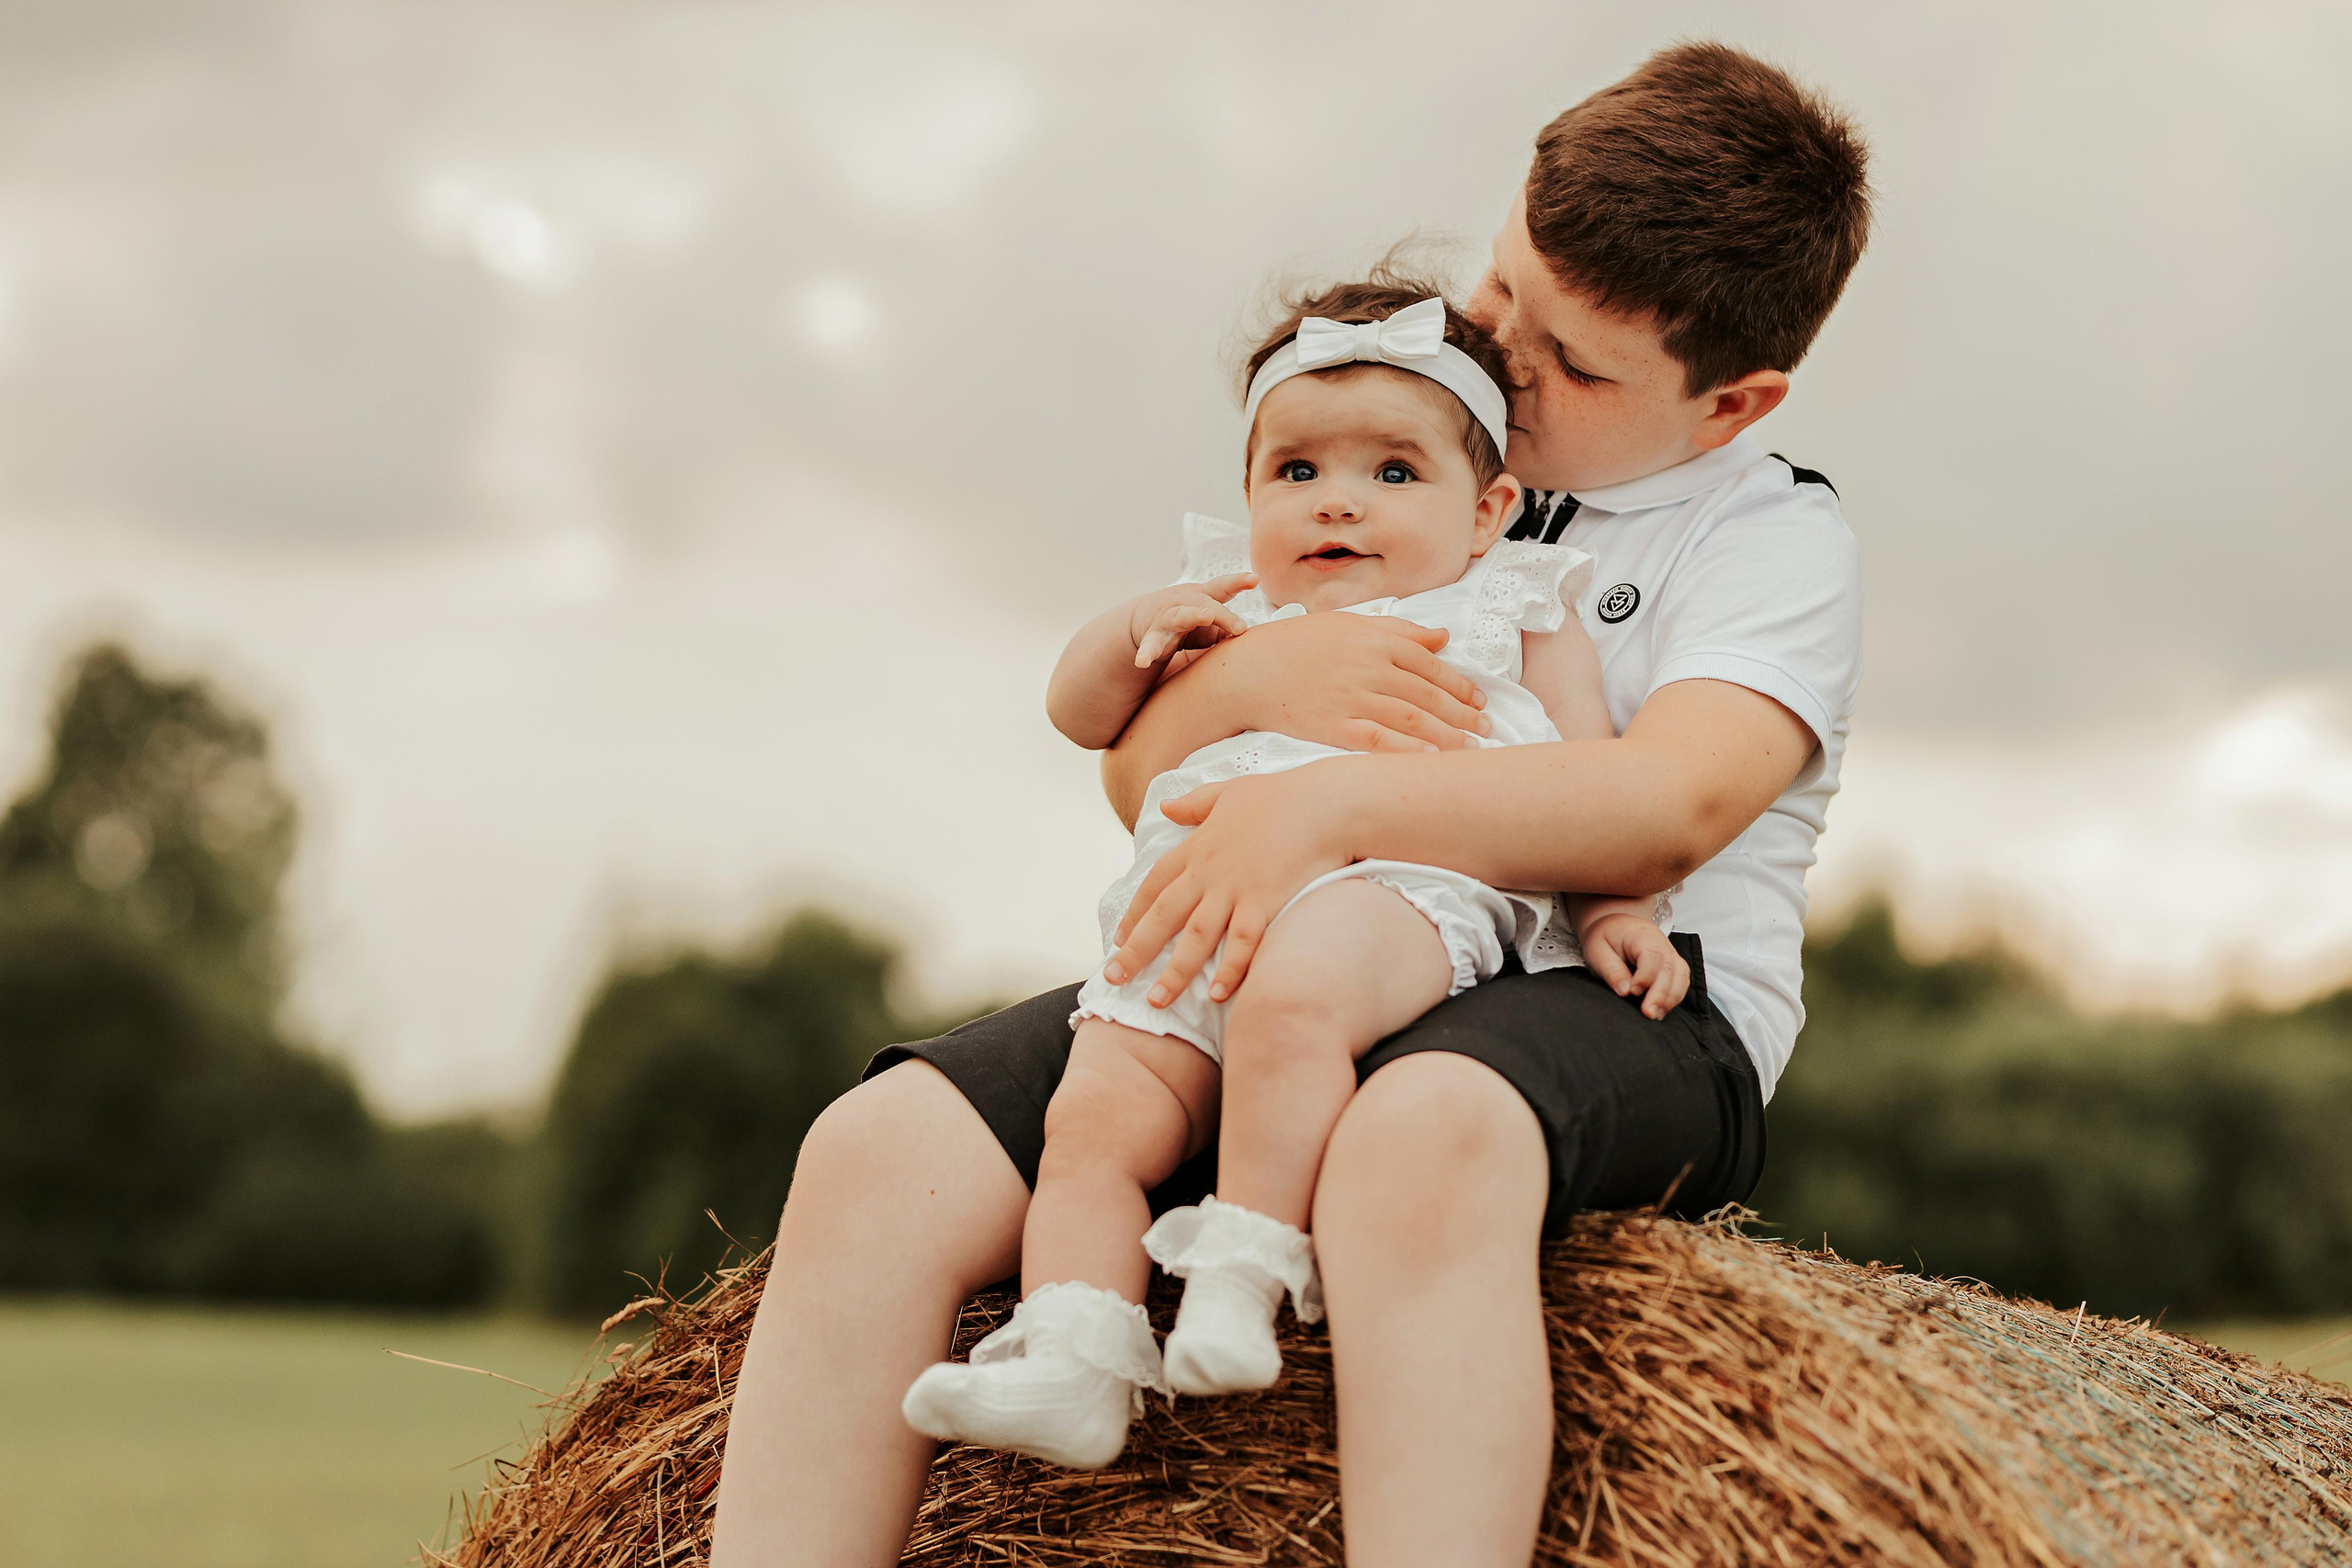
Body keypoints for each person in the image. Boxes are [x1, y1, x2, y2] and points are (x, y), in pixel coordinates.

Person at [710, 39, 1871, 1568]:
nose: (1507, 358)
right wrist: (1265, 694)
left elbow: (1667, 806)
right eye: (1506, 290)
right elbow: (1143, 771)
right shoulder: (1389, 434)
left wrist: (1330, 813)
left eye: (1576, 362)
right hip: (1294, 952)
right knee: (874, 1153)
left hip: (1630, 991)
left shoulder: (1771, 540)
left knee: (1417, 1132)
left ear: (1735, 401)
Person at [897, 285, 1691, 1471]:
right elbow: (1078, 716)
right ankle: (1070, 1356)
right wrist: (1129, 638)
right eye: (1298, 471)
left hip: (1400, 890)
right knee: (1094, 1118)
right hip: (1197, 908)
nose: (1339, 502)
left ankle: (1239, 1275)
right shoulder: (1228, 609)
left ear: (1489, 512)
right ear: (1253, 494)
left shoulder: (1515, 600)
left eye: (1392, 473)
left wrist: (1621, 910)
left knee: (1294, 1001)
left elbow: (1588, 778)